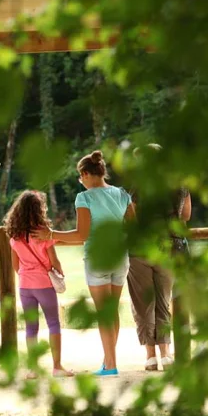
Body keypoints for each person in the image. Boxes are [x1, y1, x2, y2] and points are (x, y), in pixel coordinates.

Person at [33, 150, 135, 376]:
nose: (81, 182)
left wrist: (51, 234)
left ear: (86, 173)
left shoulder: (85, 197)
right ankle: (109, 360)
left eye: (81, 178)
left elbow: (82, 234)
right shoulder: (122, 194)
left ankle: (110, 365)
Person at [127, 144, 192, 371]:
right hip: (169, 248)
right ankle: (166, 354)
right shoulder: (180, 185)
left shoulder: (137, 187)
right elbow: (186, 216)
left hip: (141, 250)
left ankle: (150, 356)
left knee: (143, 304)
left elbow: (131, 218)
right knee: (163, 302)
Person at [5, 190, 74, 379]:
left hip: (25, 286)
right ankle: (57, 366)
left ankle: (32, 368)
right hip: (44, 284)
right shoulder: (44, 234)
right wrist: (60, 272)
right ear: (39, 210)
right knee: (53, 323)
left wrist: (27, 275)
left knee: (31, 327)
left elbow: (15, 265)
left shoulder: (14, 237)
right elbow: (54, 260)